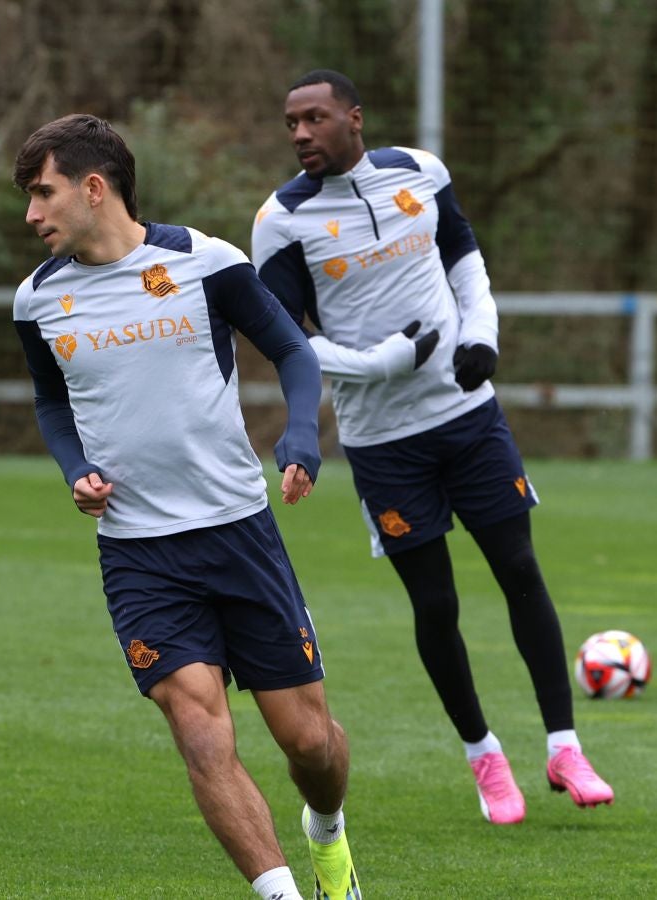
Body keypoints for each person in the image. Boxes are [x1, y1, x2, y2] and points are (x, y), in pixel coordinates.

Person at [11, 114, 359, 900]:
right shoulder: (37, 301)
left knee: (309, 744)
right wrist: (76, 468)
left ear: (93, 188)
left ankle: (328, 830)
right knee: (201, 733)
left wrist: (301, 433)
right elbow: (50, 399)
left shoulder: (205, 263)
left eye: (43, 193)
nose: (32, 215)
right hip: (138, 552)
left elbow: (294, 349)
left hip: (239, 530)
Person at [251, 69, 612, 827]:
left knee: (519, 569)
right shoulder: (282, 220)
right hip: (384, 442)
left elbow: (465, 263)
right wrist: (383, 363)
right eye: (291, 123)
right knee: (436, 601)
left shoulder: (420, 172)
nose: (300, 135)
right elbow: (286, 342)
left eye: (314, 119)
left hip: (469, 416)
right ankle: (483, 755)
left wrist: (482, 335)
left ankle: (565, 745)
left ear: (354, 117)